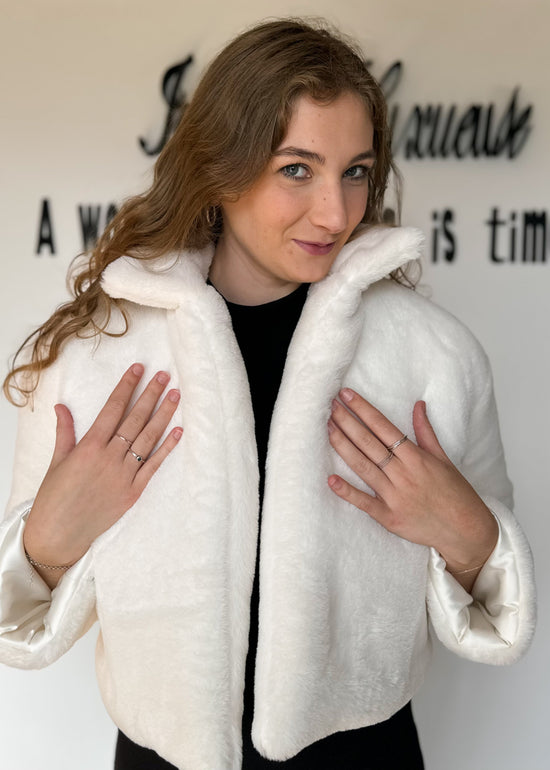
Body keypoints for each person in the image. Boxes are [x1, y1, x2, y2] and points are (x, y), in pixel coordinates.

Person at [0, 18, 535, 770]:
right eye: (296, 169)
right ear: (222, 168)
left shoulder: (432, 357)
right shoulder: (98, 362)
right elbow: (12, 620)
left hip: (367, 758)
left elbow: (499, 606)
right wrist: (50, 540)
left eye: (356, 171)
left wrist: (469, 535)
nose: (336, 212)